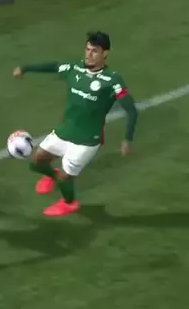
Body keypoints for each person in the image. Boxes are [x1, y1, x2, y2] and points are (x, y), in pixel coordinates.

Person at [12, 31, 139, 217]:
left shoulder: (112, 81)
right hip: (65, 131)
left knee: (66, 178)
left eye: (94, 51)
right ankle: (54, 176)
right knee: (36, 163)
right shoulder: (74, 69)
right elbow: (54, 66)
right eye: (87, 49)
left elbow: (131, 110)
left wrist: (128, 139)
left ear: (105, 54)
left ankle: (69, 203)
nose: (89, 54)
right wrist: (25, 68)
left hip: (87, 140)